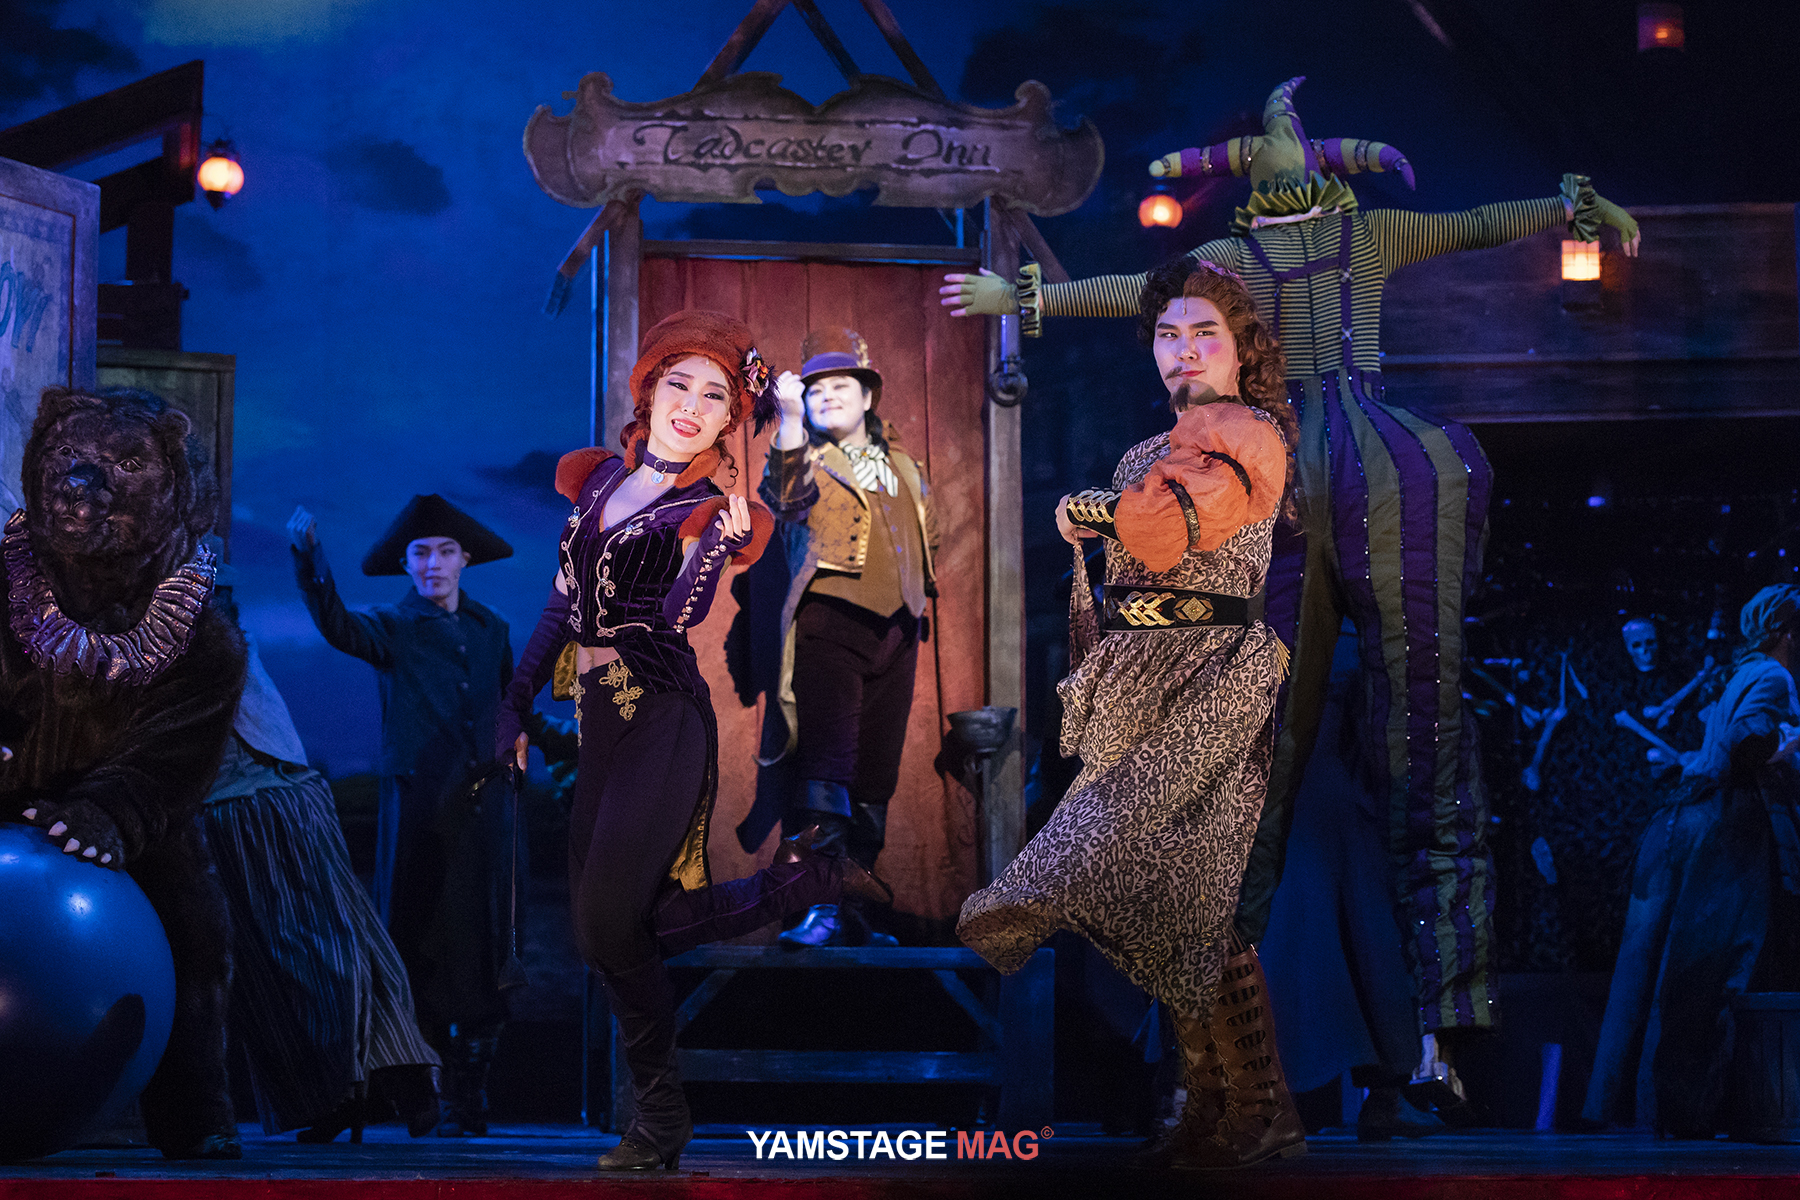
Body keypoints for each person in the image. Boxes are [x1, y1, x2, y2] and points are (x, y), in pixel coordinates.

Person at [942, 76, 1644, 1105]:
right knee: (1300, 765)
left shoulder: (1337, 249)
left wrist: (1565, 208)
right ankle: (1282, 1045)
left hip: (1348, 479)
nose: (1278, 162)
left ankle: (1415, 1038)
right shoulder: (1257, 276)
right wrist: (1032, 301)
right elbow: (1147, 295)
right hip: (1313, 497)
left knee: (1407, 748)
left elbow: (1471, 224)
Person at [496, 309, 893, 1172]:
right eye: (679, 383)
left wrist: (718, 546)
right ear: (649, 392)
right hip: (598, 721)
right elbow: (563, 603)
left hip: (663, 715)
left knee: (610, 924)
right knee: (605, 934)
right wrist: (514, 703)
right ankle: (808, 882)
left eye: (715, 396)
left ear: (728, 422)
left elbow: (674, 618)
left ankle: (661, 1112)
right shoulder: (597, 481)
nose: (692, 404)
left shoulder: (709, 510)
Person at [958, 257, 1301, 1169]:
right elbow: (1128, 568)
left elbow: (1173, 524)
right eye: (1168, 334)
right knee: (1177, 901)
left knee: (1141, 862)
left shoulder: (1251, 433)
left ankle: (1026, 899)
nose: (1183, 351)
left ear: (1241, 348)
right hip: (1143, 674)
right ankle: (1231, 1103)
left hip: (1216, 673)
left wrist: (1097, 511)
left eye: (1204, 334)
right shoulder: (1144, 452)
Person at [288, 494, 515, 1136]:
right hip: (418, 806)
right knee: (413, 934)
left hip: (483, 811)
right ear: (407, 565)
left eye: (445, 552)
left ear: (464, 559)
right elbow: (338, 626)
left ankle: (469, 1097)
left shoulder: (491, 627)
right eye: (421, 553)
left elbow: (508, 701)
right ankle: (411, 1090)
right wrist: (310, 560)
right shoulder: (391, 625)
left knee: (483, 941)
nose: (433, 563)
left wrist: (524, 743)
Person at [202, 564, 442, 1143]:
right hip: (254, 799)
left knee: (321, 942)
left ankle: (385, 1078)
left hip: (261, 797)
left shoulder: (201, 632)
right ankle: (357, 1088)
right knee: (301, 951)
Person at [1580, 585, 1800, 1136]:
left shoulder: (1741, 673)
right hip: (1726, 822)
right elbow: (1745, 742)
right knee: (1715, 965)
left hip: (1690, 817)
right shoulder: (1773, 677)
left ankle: (1653, 1104)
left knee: (1667, 964)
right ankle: (1690, 1106)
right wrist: (1787, 750)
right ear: (1787, 633)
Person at [747, 327, 938, 947]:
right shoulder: (804, 455)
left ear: (867, 397)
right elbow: (785, 494)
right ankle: (819, 907)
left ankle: (853, 911)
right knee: (828, 766)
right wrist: (789, 420)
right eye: (816, 389)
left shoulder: (903, 465)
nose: (828, 395)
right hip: (830, 624)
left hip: (899, 630)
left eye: (841, 386)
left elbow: (927, 535)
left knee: (876, 774)